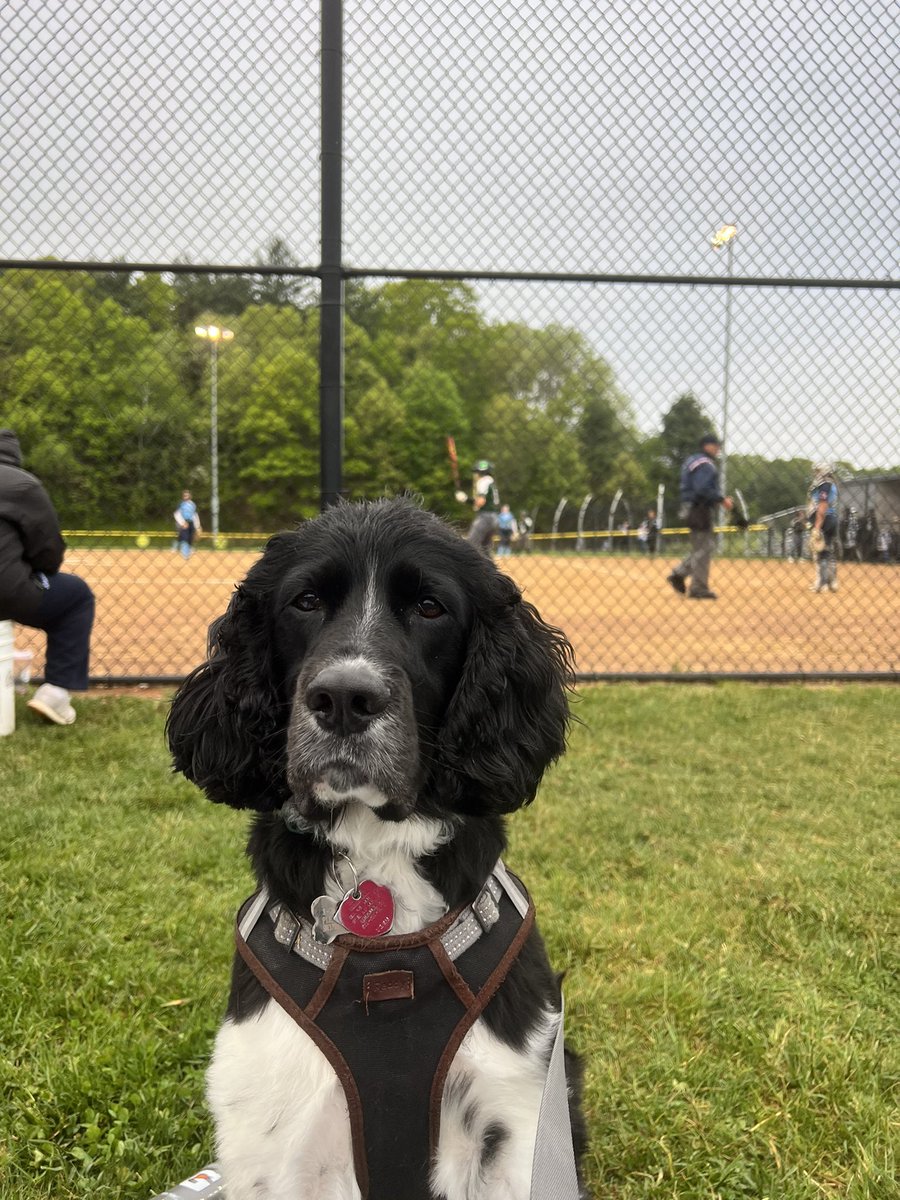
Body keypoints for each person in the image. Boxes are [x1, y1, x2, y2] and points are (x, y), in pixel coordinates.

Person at [0, 430, 95, 725]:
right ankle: (54, 694)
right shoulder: (22, 484)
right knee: (76, 596)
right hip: (7, 591)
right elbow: (49, 552)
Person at [666, 433, 733, 599]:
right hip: (699, 508)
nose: (718, 449)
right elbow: (702, 488)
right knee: (704, 547)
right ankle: (698, 588)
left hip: (691, 507)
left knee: (703, 546)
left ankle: (679, 573)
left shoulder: (693, 460)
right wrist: (721, 499)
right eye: (715, 445)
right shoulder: (705, 463)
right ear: (707, 446)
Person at [807, 463, 838, 592]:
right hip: (831, 519)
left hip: (824, 520)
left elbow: (823, 505)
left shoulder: (824, 485)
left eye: (818, 471)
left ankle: (822, 583)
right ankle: (832, 582)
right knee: (829, 551)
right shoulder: (831, 484)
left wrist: (817, 527)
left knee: (820, 552)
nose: (816, 474)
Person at [465, 460, 500, 557]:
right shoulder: (491, 481)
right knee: (485, 548)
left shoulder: (483, 481)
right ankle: (489, 570)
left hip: (485, 516)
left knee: (471, 544)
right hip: (494, 518)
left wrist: (466, 500)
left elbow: (480, 501)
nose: (475, 475)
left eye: (476, 472)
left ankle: (469, 569)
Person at [174, 489, 202, 559]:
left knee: (190, 538)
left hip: (191, 522)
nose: (185, 496)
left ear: (190, 496)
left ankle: (188, 549)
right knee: (184, 537)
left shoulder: (192, 504)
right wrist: (182, 523)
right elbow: (176, 514)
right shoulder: (181, 504)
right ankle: (185, 553)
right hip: (184, 523)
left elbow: (195, 515)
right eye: (184, 495)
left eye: (187, 495)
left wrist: (198, 526)